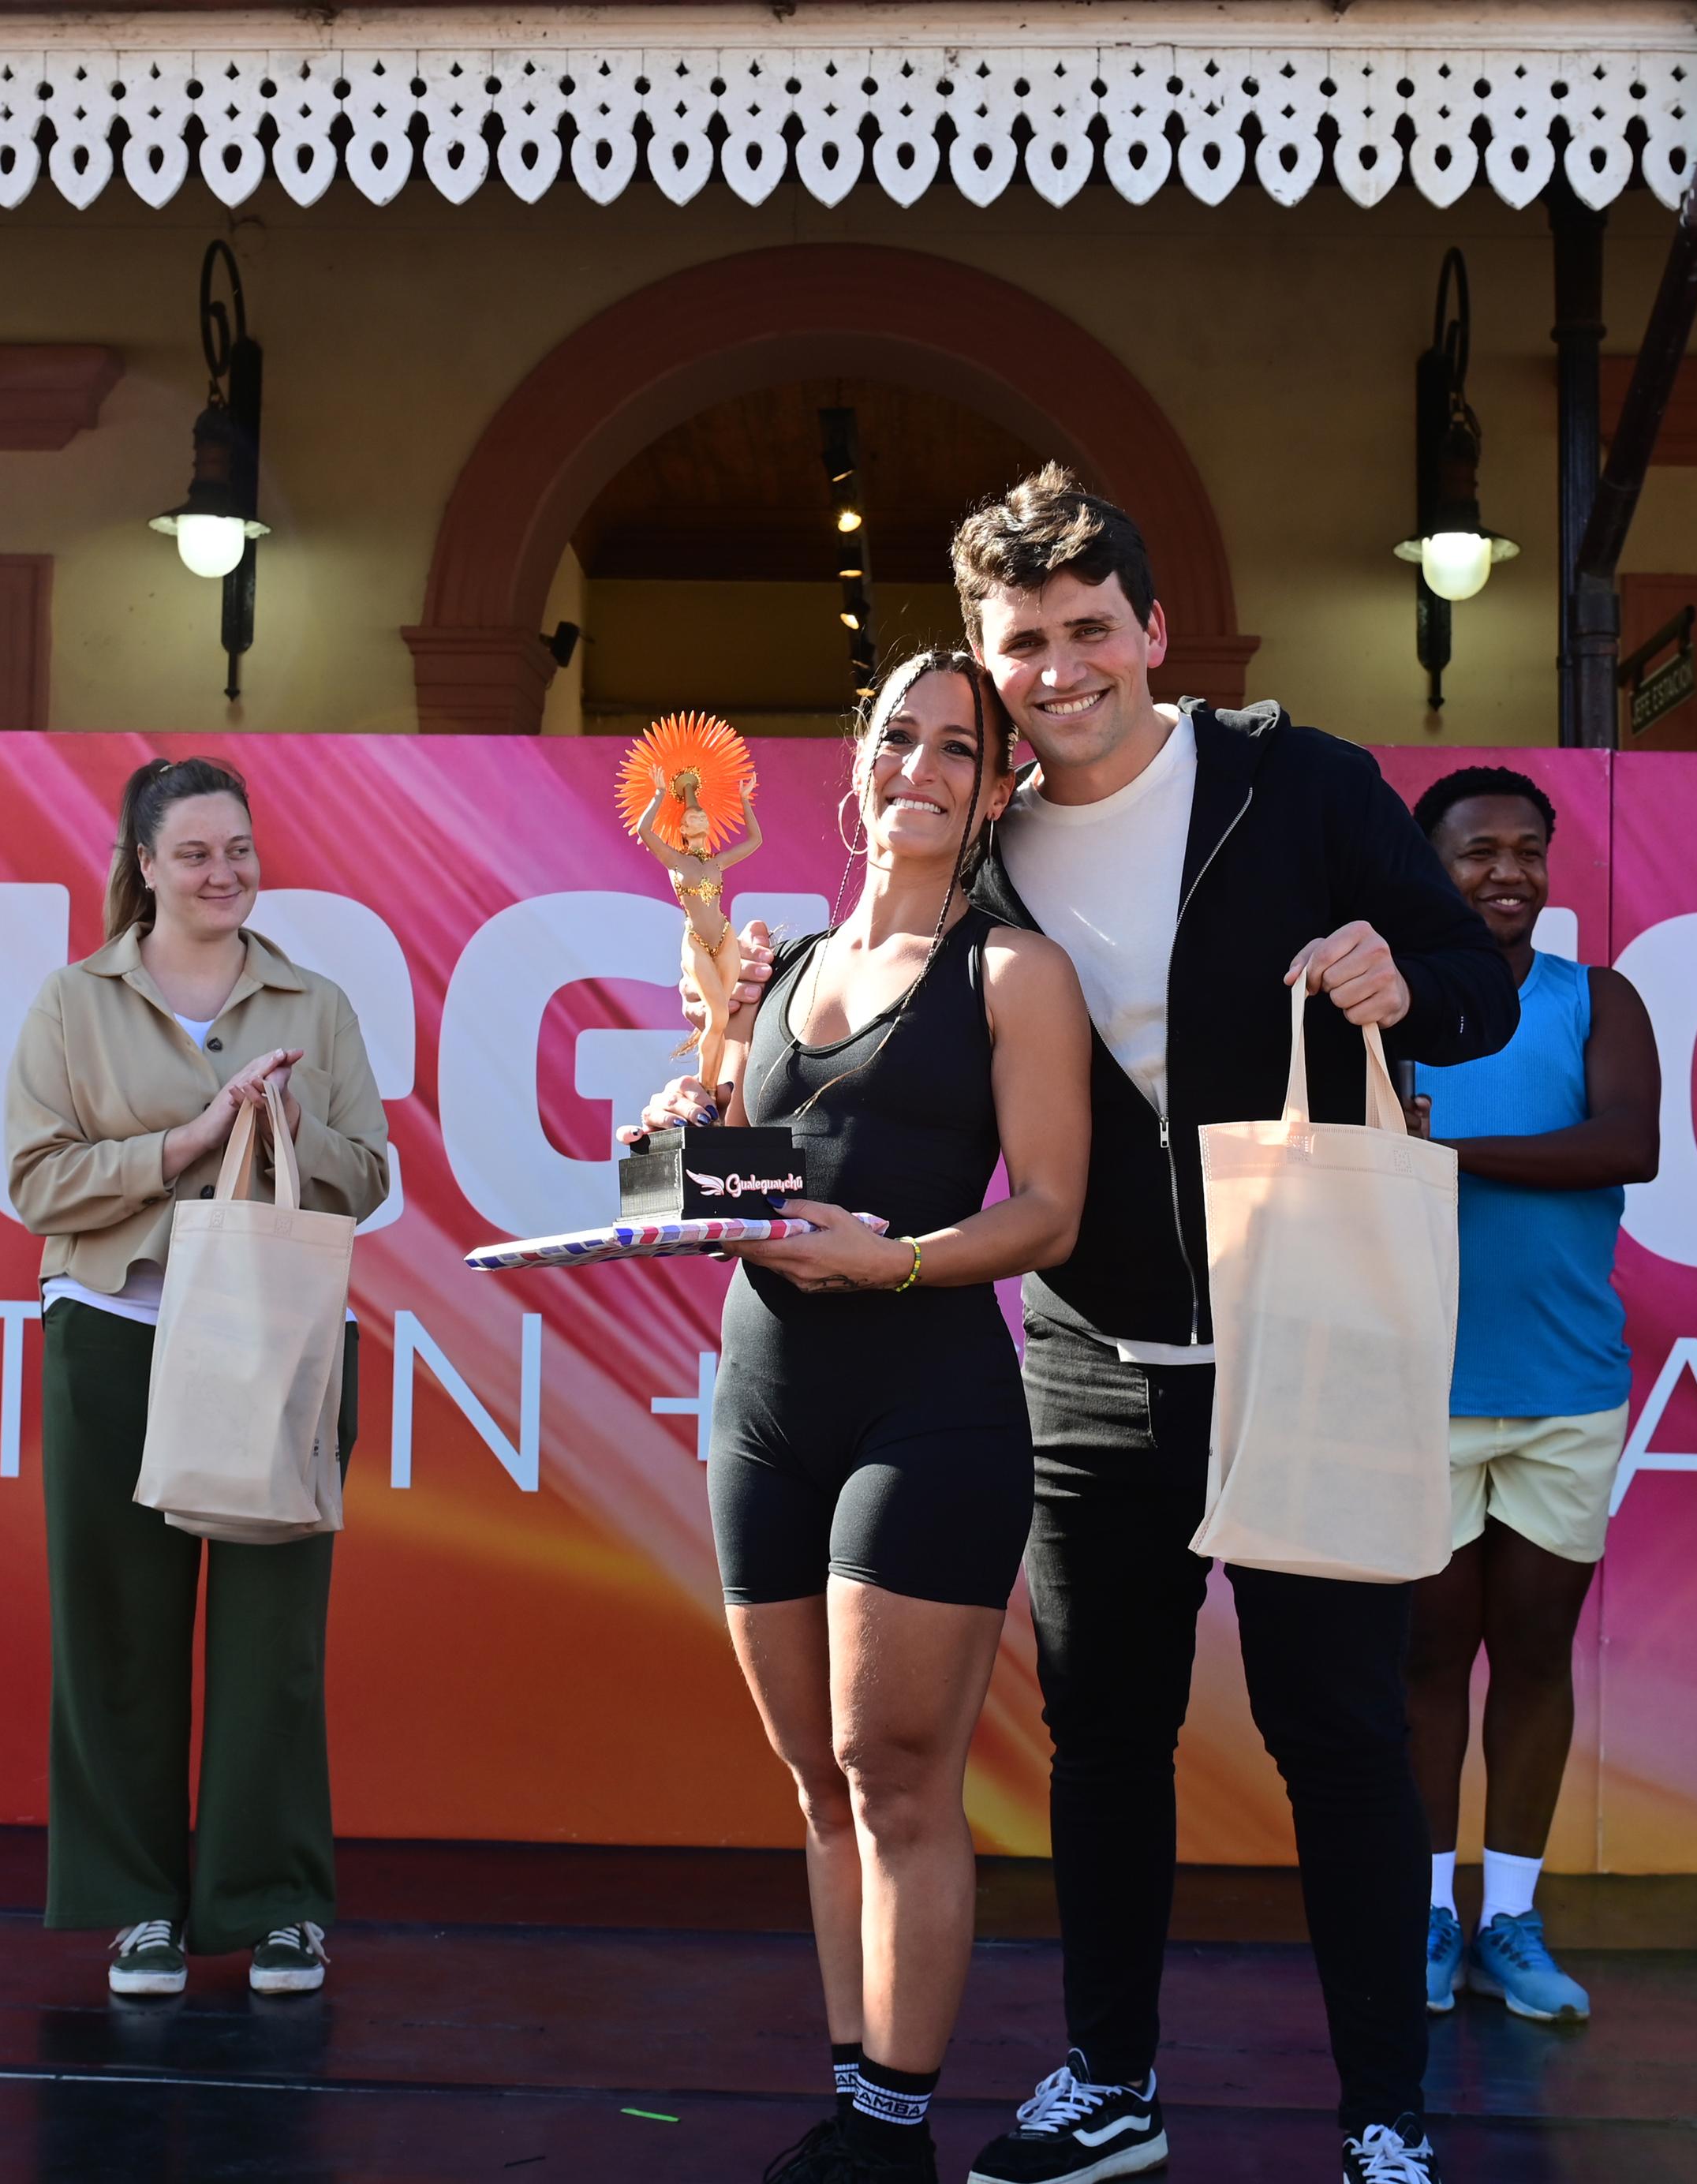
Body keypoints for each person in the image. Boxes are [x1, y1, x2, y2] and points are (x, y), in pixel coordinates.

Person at [933, 466, 1513, 2184]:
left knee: (1342, 1742)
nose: (1059, 668)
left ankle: (1386, 2119)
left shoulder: (1298, 781)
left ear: (1154, 631)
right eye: (1022, 642)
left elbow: (1473, 987)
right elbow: (902, 1055)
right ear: (987, 659)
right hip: (1090, 1361)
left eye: (1088, 628)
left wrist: (1409, 980)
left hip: (1307, 1346)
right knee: (1104, 1742)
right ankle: (1109, 2083)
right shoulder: (981, 849)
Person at [626, 649, 1092, 2184]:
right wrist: (674, 1135)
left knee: (893, 1771)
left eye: (961, 747)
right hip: (764, 1403)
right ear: (858, 760)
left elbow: (1049, 1211)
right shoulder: (775, 969)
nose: (923, 766)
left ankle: (892, 2128)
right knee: (819, 1784)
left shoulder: (1014, 974)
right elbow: (731, 1186)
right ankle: (854, 2111)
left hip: (929, 1403)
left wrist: (890, 1260)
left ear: (999, 789)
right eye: (901, 735)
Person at [5, 755, 391, 2002]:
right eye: (194, 854)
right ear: (145, 866)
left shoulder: (313, 1003)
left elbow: (369, 1177)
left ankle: (277, 1907)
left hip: (274, 1343)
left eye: (238, 850)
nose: (223, 874)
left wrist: (286, 1126)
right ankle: (137, 1908)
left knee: (273, 1636)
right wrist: (189, 1139)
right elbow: (35, 1182)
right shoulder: (75, 1001)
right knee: (116, 1632)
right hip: (115, 1330)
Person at [1396, 767, 1657, 2028]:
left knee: (1537, 1654)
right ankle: (1426, 1915)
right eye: (1476, 852)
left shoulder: (1597, 999)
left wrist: (1440, 1155)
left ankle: (1511, 1916)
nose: (1507, 872)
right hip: (1423, 1385)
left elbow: (1626, 1145)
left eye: (1526, 850)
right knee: (1428, 1658)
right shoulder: (1386, 1010)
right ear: (1427, 868)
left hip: (1564, 1388)